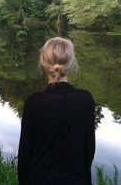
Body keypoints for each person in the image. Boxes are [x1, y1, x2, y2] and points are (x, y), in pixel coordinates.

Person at [18, 37, 96, 185]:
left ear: (43, 62)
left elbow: (24, 154)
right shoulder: (85, 99)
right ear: (71, 63)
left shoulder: (34, 102)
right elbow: (89, 150)